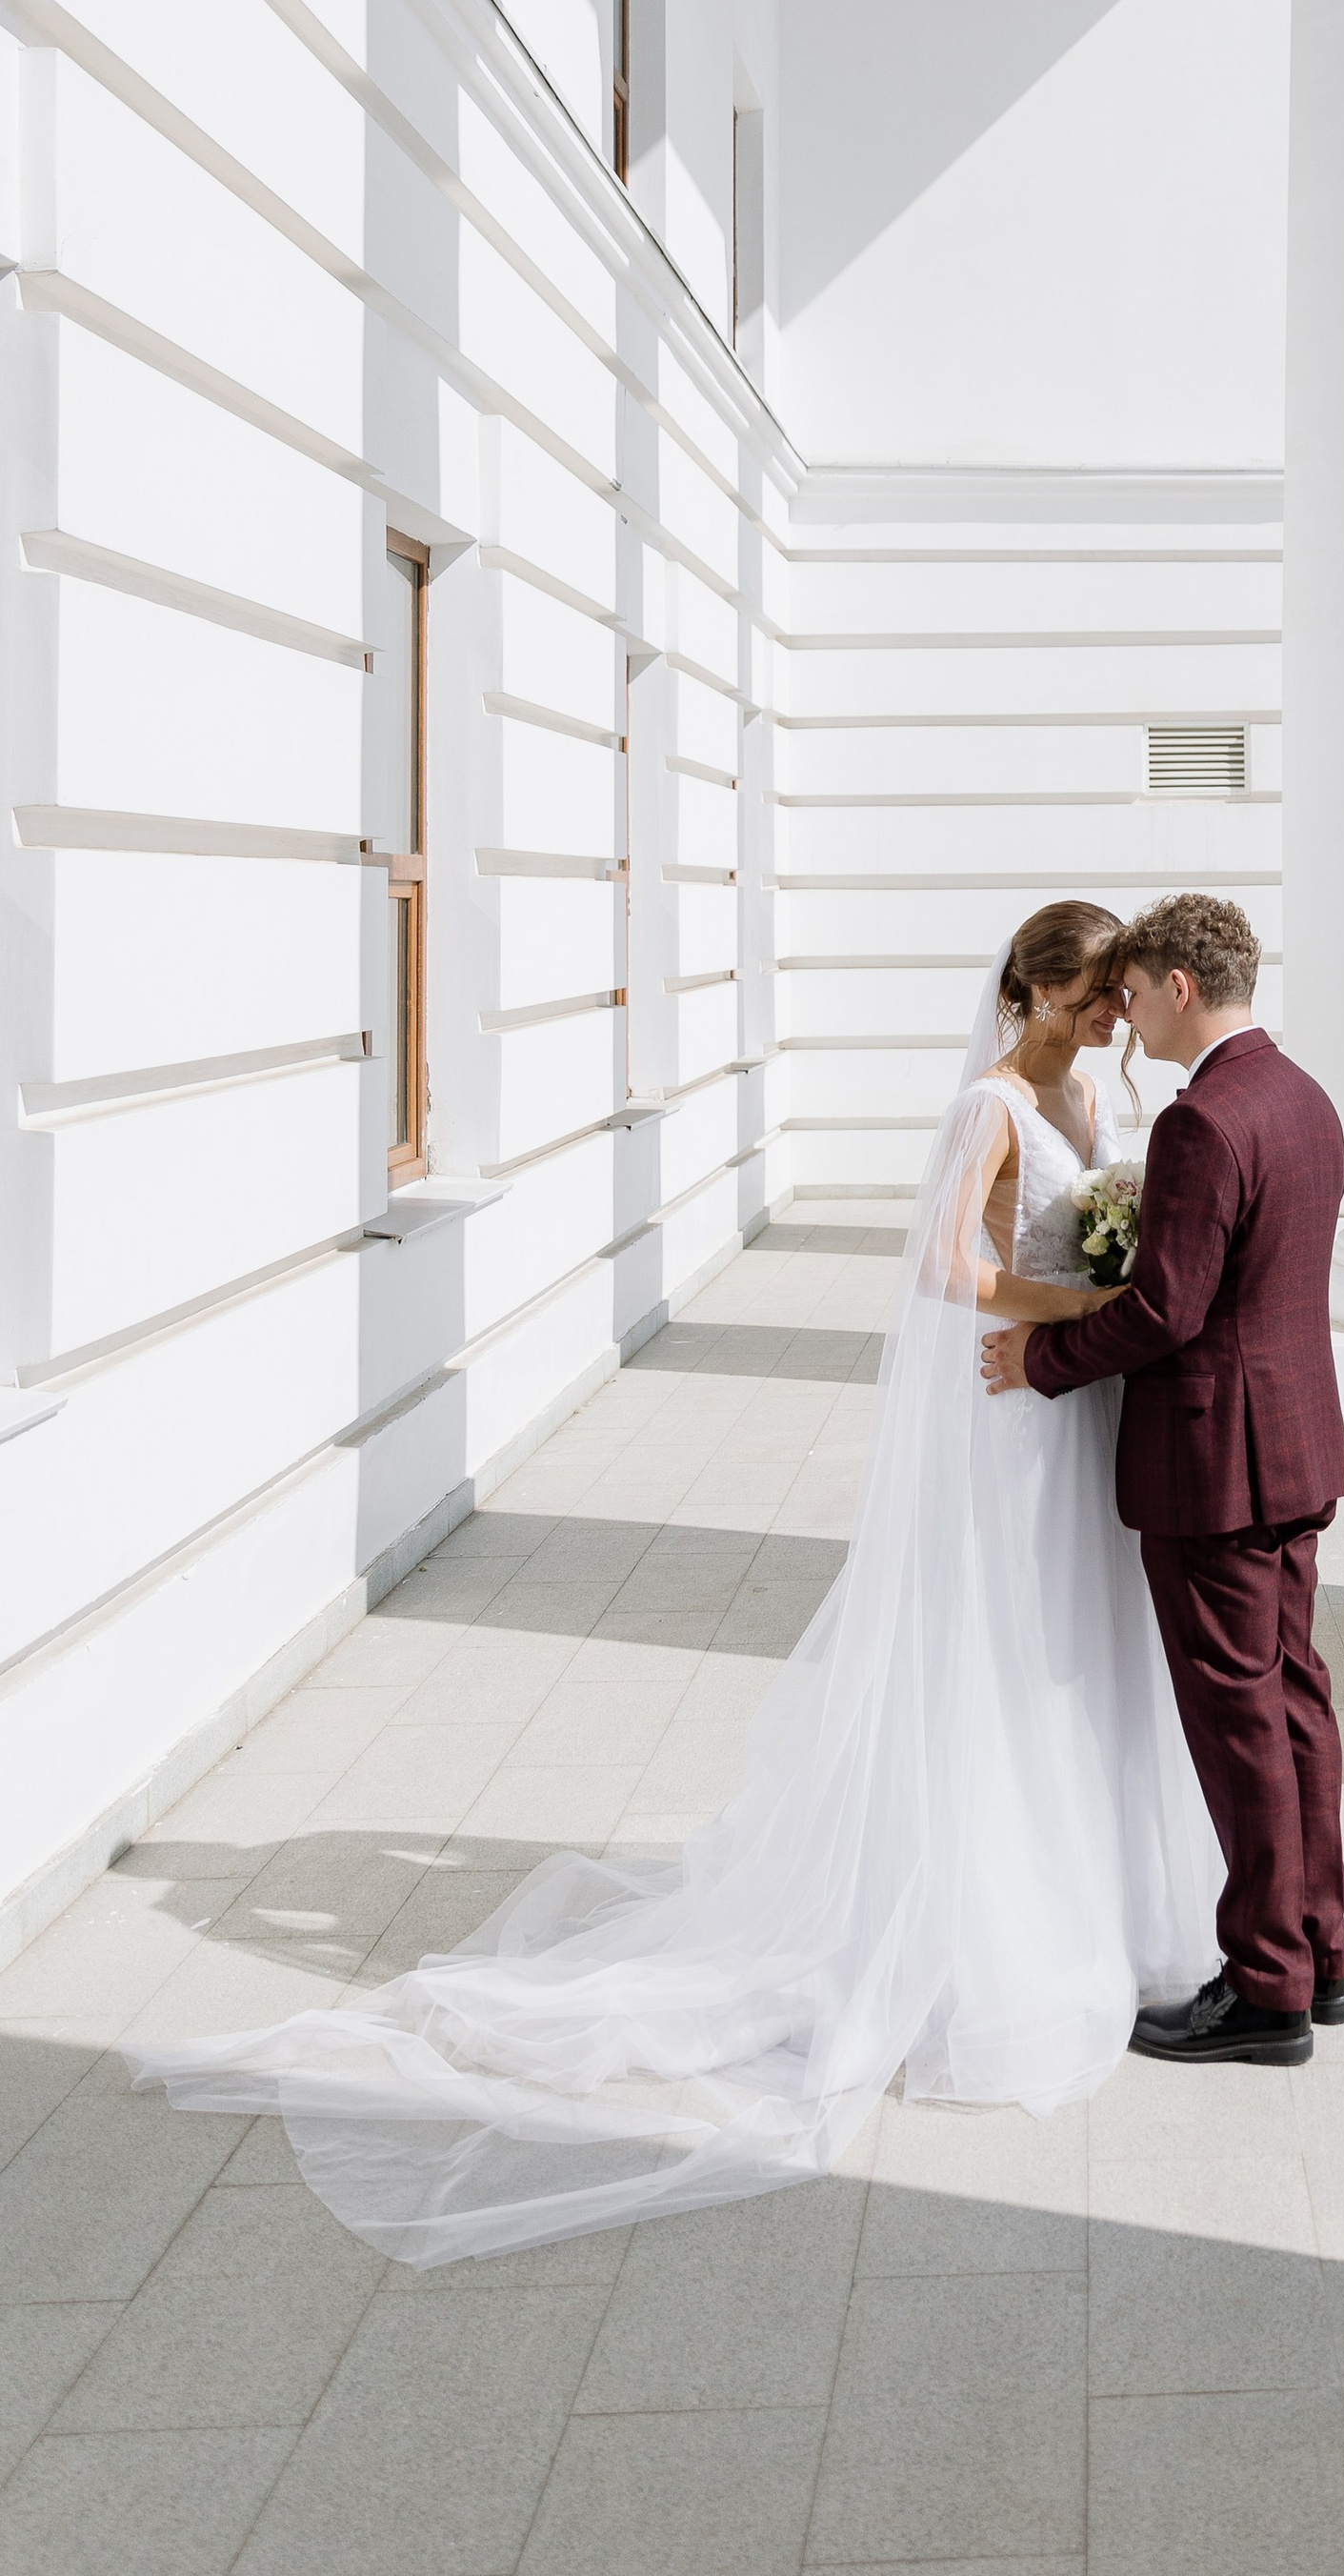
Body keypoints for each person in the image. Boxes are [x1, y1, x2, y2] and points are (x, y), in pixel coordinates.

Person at [128, 903, 1221, 2262]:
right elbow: (950, 1270)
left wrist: (1104, 1298)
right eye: (1102, 998)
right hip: (1012, 1405)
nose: (1121, 1018)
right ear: (1041, 991)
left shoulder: (1082, 1089)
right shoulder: (991, 1104)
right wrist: (1092, 1311)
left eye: (1126, 997)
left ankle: (1086, 1899)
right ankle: (977, 1929)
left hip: (1070, 1407)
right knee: (998, 1650)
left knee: (1076, 1648)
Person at [983, 891, 1344, 2064]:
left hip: (1215, 1467)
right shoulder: (1301, 1095)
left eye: (1136, 996)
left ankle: (1265, 1991)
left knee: (1240, 1723)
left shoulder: (1204, 1121)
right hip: (1294, 1447)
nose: (1127, 1020)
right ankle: (1321, 1953)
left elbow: (1164, 1312)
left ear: (1180, 989)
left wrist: (1040, 1359)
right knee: (1295, 1705)